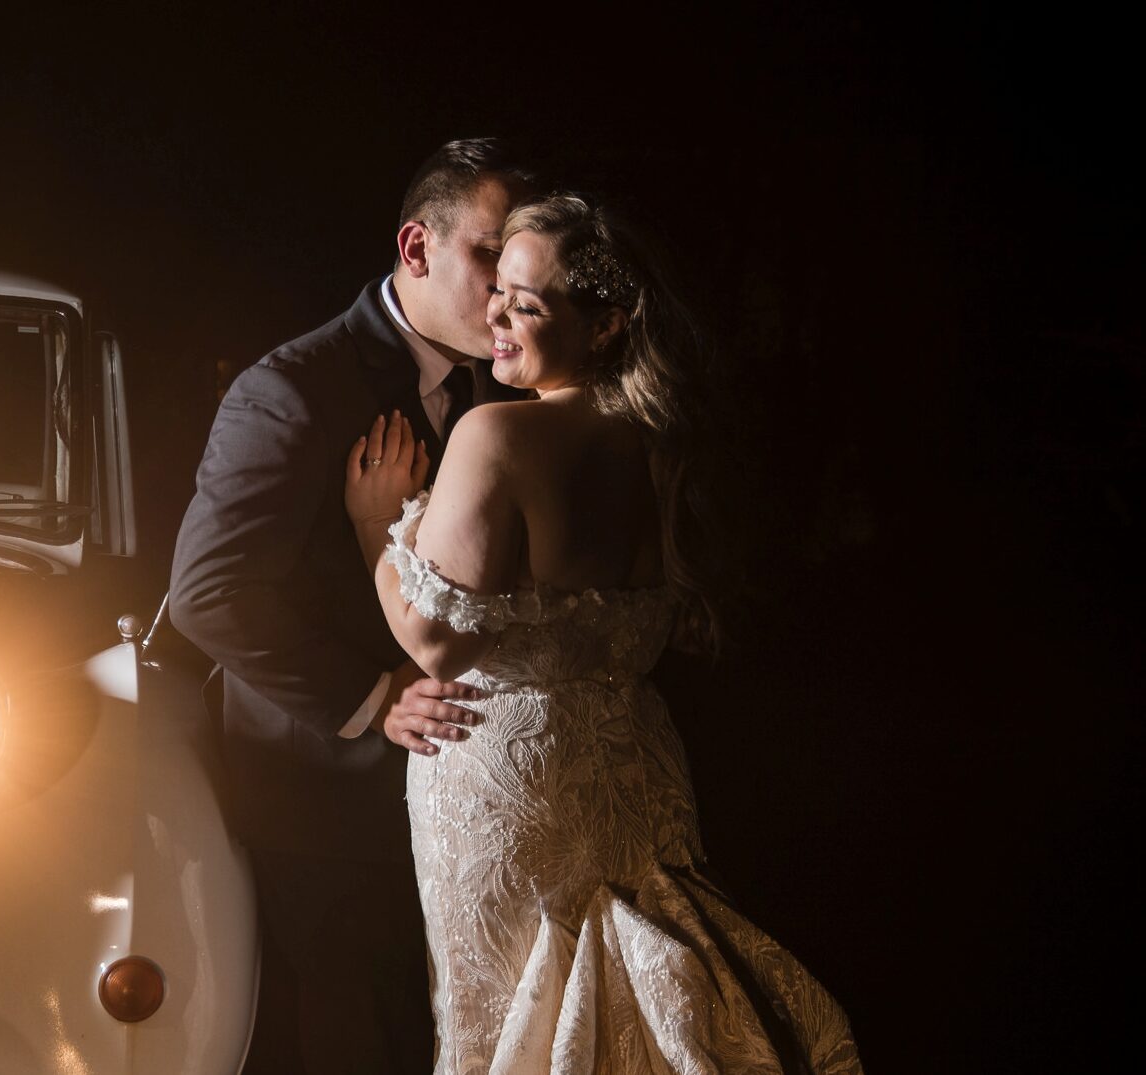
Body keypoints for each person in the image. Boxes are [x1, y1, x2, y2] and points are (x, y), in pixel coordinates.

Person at [343, 194, 863, 1073]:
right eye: (497, 290)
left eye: (528, 304)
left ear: (607, 325)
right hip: (637, 766)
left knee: (515, 1025)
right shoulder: (667, 441)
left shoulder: (496, 433)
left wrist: (374, 529)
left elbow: (437, 644)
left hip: (508, 783)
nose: (495, 316)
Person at [168, 138, 540, 1073]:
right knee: (350, 1037)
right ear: (416, 249)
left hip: (471, 790)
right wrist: (372, 699)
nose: (505, 288)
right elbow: (207, 594)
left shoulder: (510, 383)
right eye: (487, 254)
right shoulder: (291, 391)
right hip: (326, 800)